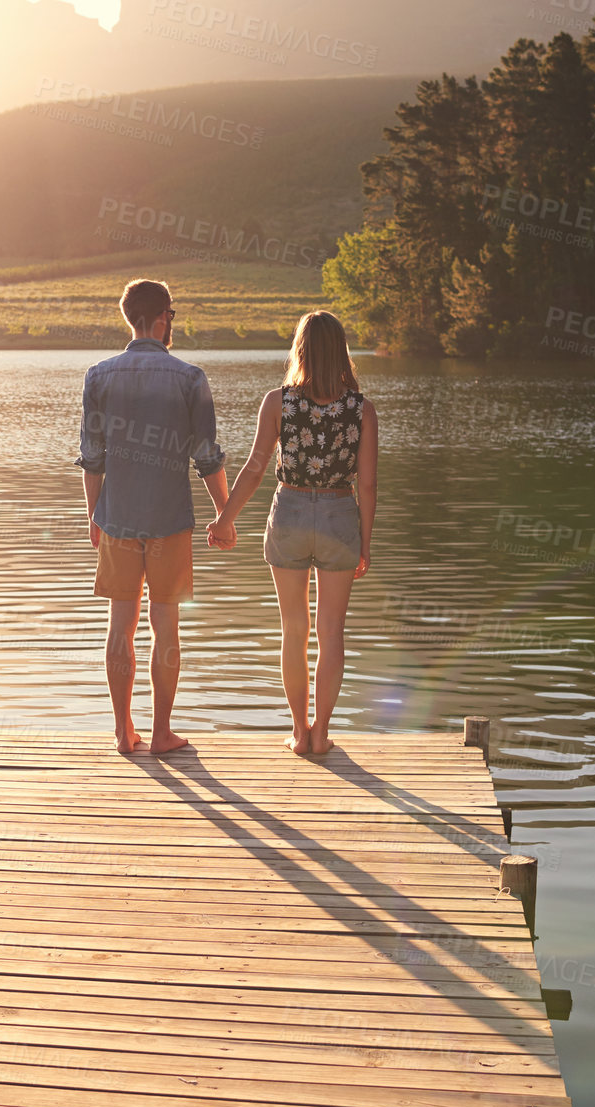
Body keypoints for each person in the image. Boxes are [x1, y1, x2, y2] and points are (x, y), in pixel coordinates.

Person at [207, 311, 376, 755]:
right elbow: (369, 484)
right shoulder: (362, 409)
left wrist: (226, 518)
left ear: (299, 349)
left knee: (293, 629)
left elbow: (256, 468)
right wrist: (366, 543)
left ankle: (299, 734)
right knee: (331, 632)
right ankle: (322, 733)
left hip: (291, 513)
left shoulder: (278, 402)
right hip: (341, 514)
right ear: (341, 351)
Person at [76, 279, 228, 755]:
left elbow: (92, 455)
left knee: (119, 622)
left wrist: (93, 514)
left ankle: (124, 733)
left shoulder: (99, 376)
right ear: (162, 318)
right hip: (169, 520)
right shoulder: (189, 378)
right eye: (172, 317)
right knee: (166, 624)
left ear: (130, 318)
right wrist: (225, 512)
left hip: (117, 515)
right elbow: (207, 456)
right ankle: (162, 734)